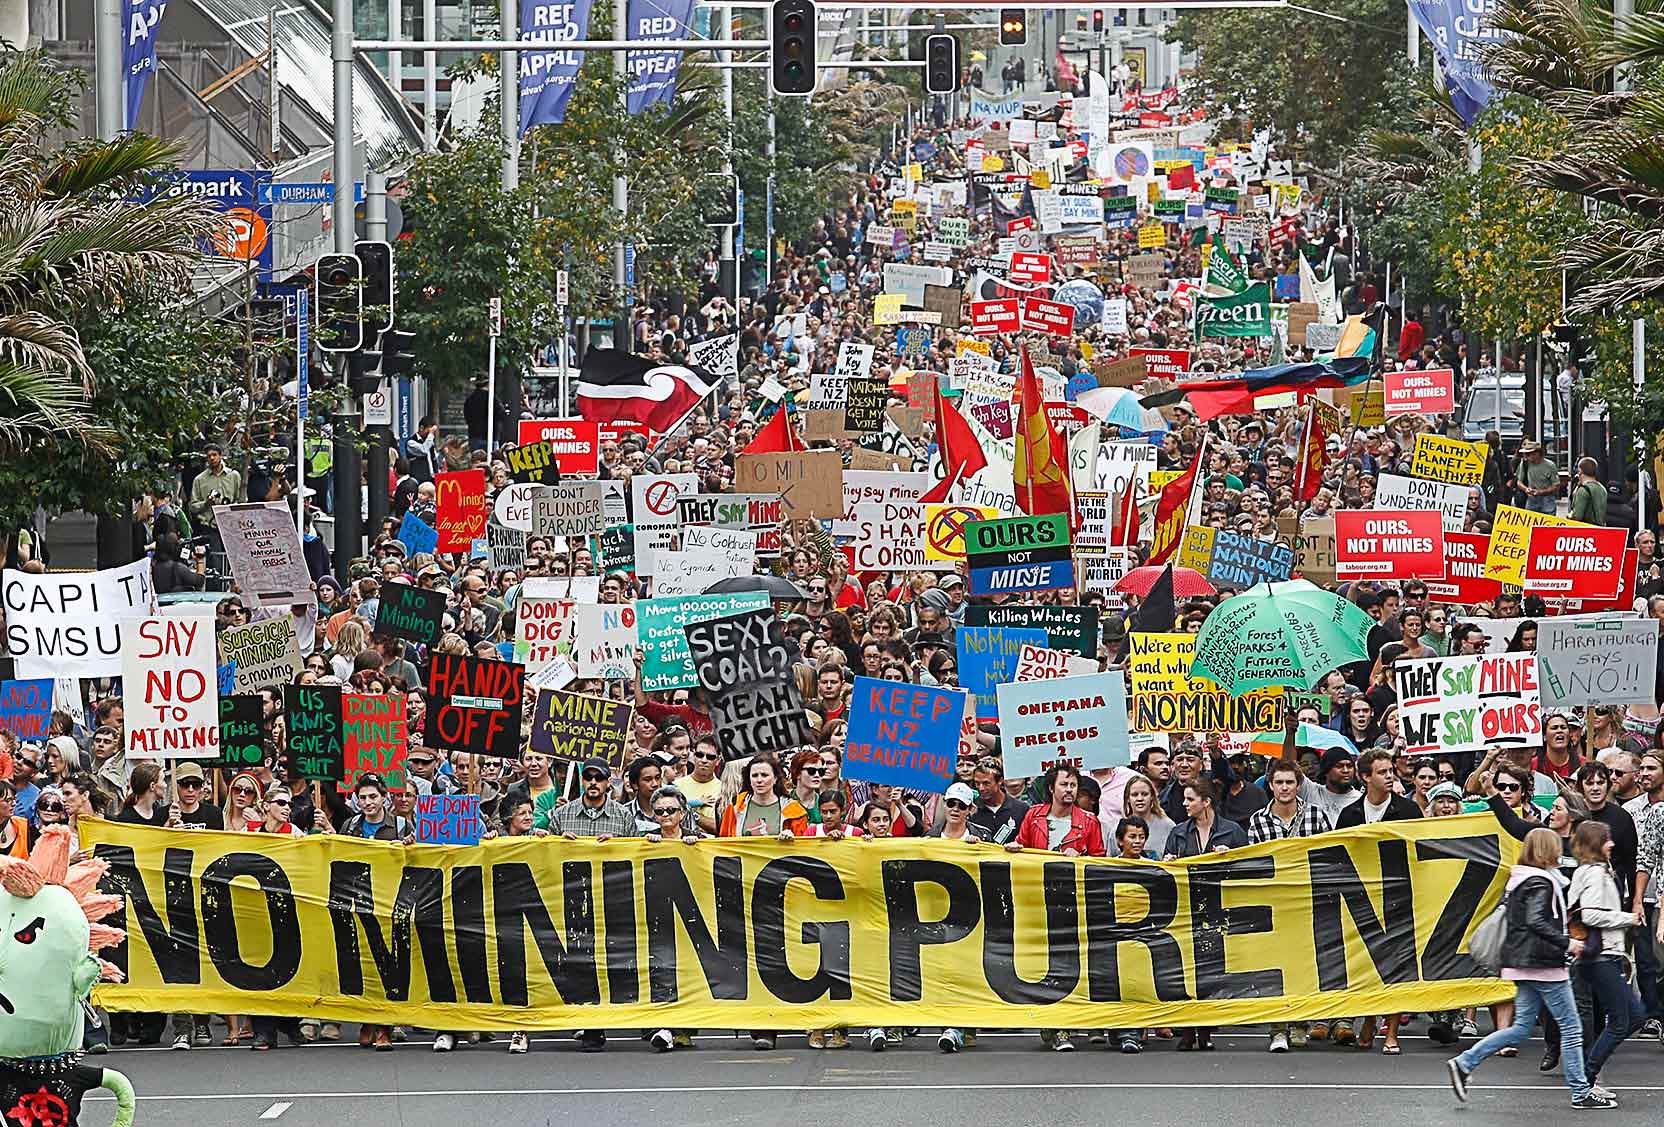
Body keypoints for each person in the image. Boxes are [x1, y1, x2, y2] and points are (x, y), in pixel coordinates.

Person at [1446, 828, 1613, 1109]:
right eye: (1555, 847)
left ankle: (1465, 1062)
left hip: (1524, 965)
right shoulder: (1541, 883)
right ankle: (1580, 1091)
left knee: (1521, 1028)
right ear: (1546, 851)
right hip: (1544, 965)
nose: (1561, 851)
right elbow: (1537, 921)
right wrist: (1567, 942)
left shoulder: (1523, 880)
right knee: (1571, 1029)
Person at [1247, 759, 1333, 1054]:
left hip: (1307, 903)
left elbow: (1327, 858)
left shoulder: (1316, 816)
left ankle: (1299, 1023)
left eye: (1290, 782)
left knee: (1304, 967)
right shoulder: (1258, 820)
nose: (1284, 788)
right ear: (1270, 785)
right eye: (1279, 782)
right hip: (1273, 905)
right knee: (1275, 970)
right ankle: (1277, 1028)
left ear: (1299, 785)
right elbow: (1254, 864)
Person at [1163, 778, 1248, 1052]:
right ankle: (1188, 1029)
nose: (1185, 804)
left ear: (1206, 802)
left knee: (1211, 972)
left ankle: (1207, 1028)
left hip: (1218, 910)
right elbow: (1166, 868)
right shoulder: (1178, 832)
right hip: (1186, 910)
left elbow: (1248, 868)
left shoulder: (1232, 831)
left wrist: (1231, 857)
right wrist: (1169, 863)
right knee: (1186, 970)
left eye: (1190, 799)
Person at [1567, 820, 1646, 1092]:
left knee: (1634, 1016)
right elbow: (1590, 914)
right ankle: (1586, 1078)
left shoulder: (1591, 872)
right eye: (1606, 839)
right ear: (1595, 844)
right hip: (1601, 955)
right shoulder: (1594, 875)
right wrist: (1628, 918)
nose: (1611, 843)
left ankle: (1586, 1074)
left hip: (1601, 956)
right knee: (1625, 1018)